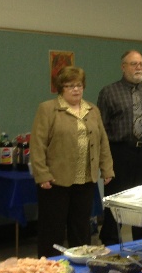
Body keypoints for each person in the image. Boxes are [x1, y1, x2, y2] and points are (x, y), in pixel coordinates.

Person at [30, 66, 114, 258]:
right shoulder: (48, 109)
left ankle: (80, 267)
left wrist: (106, 169)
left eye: (78, 85)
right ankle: (50, 267)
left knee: (81, 228)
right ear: (61, 88)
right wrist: (42, 174)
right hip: (55, 180)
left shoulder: (92, 110)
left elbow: (103, 141)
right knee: (52, 229)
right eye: (69, 86)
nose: (75, 89)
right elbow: (37, 144)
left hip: (85, 179)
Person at [97, 50, 142, 245]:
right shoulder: (109, 92)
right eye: (133, 64)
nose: (139, 67)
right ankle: (111, 241)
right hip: (119, 153)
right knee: (116, 200)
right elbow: (100, 129)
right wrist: (103, 161)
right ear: (123, 67)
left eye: (141, 64)